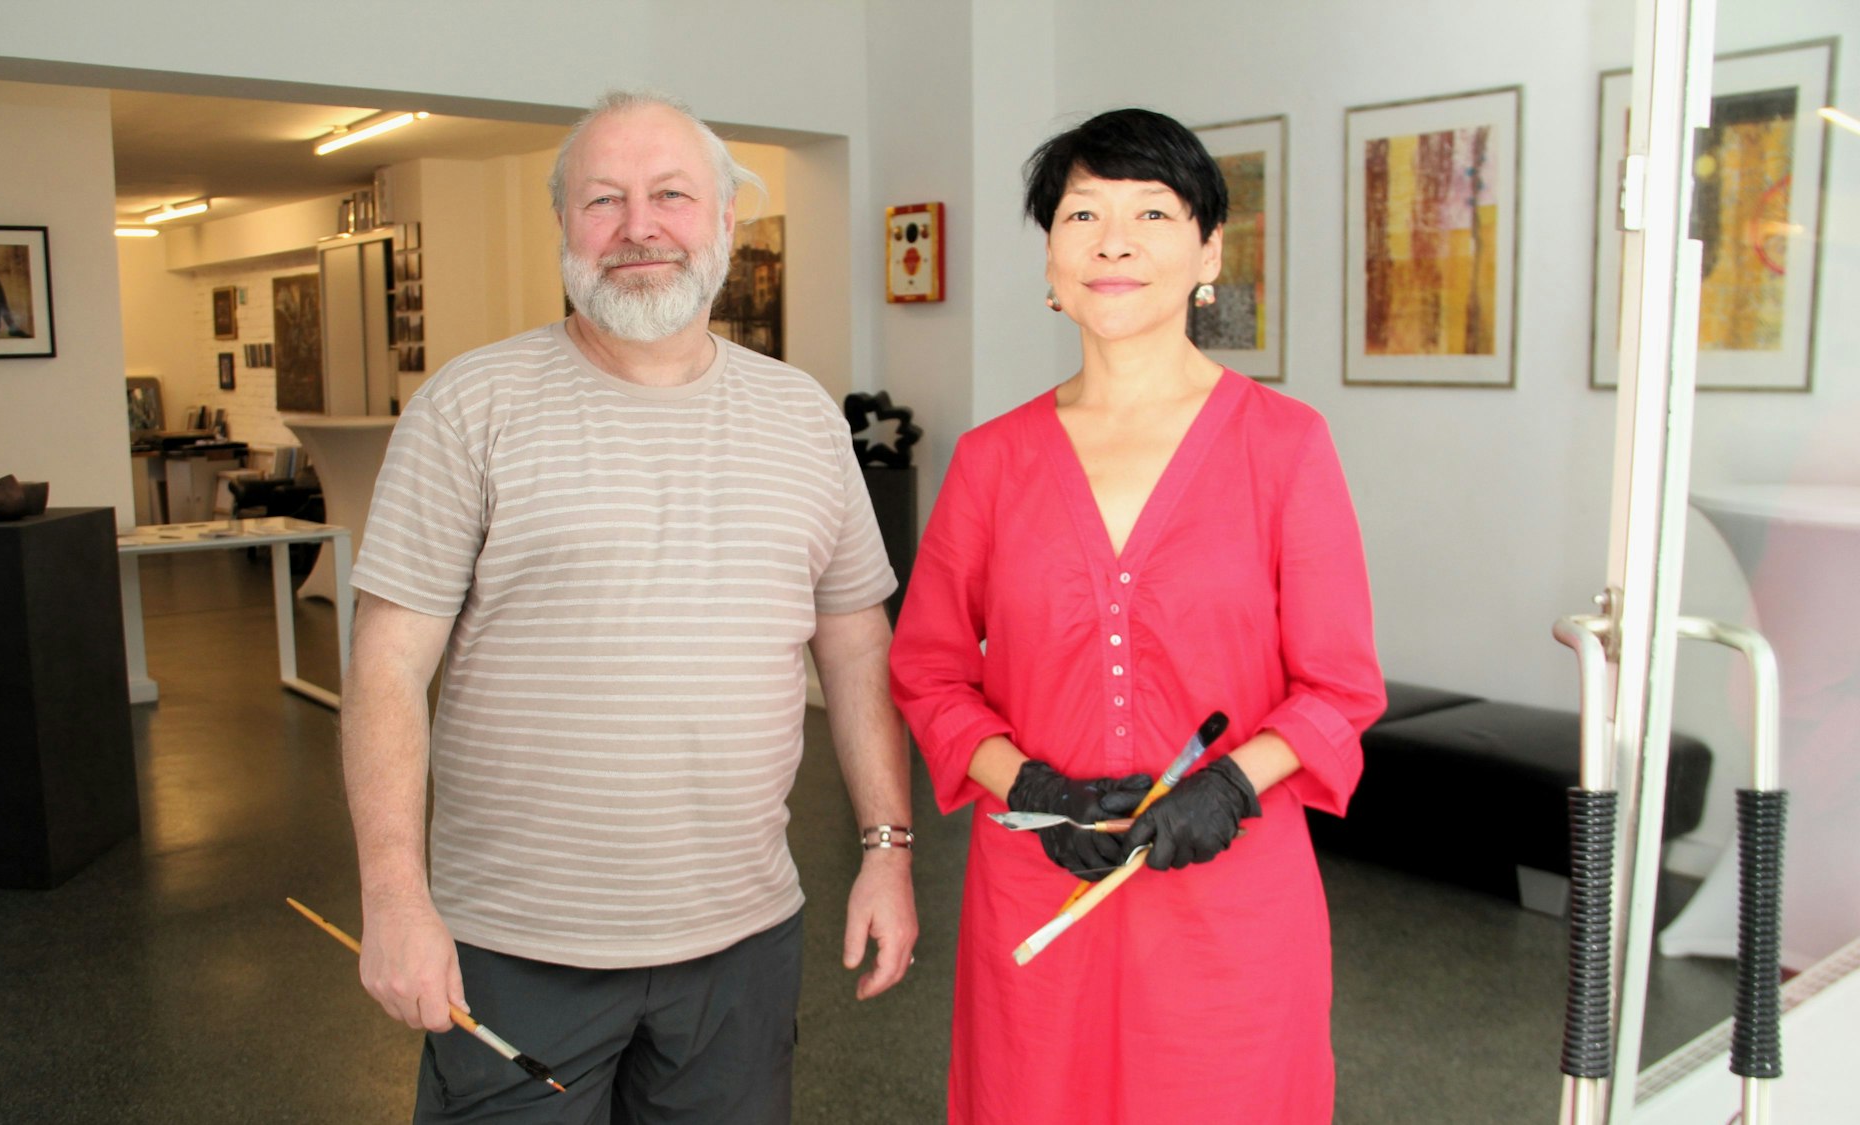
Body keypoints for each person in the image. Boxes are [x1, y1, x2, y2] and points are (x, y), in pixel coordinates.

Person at [342, 90, 917, 1124]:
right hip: (513, 949)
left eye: (671, 196)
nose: (638, 227)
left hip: (741, 945)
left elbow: (856, 645)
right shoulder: (468, 407)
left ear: (726, 220)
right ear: (563, 223)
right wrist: (392, 898)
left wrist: (887, 850)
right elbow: (386, 666)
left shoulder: (802, 415)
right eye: (603, 199)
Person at [889, 108, 1385, 1125]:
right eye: (1083, 215)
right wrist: (1027, 785)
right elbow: (928, 671)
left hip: (1230, 904)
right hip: (1039, 885)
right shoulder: (991, 461)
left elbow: (1339, 687)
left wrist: (1229, 787)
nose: (1113, 243)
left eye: (1152, 213)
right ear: (1051, 260)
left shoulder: (1284, 446)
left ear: (1209, 252)